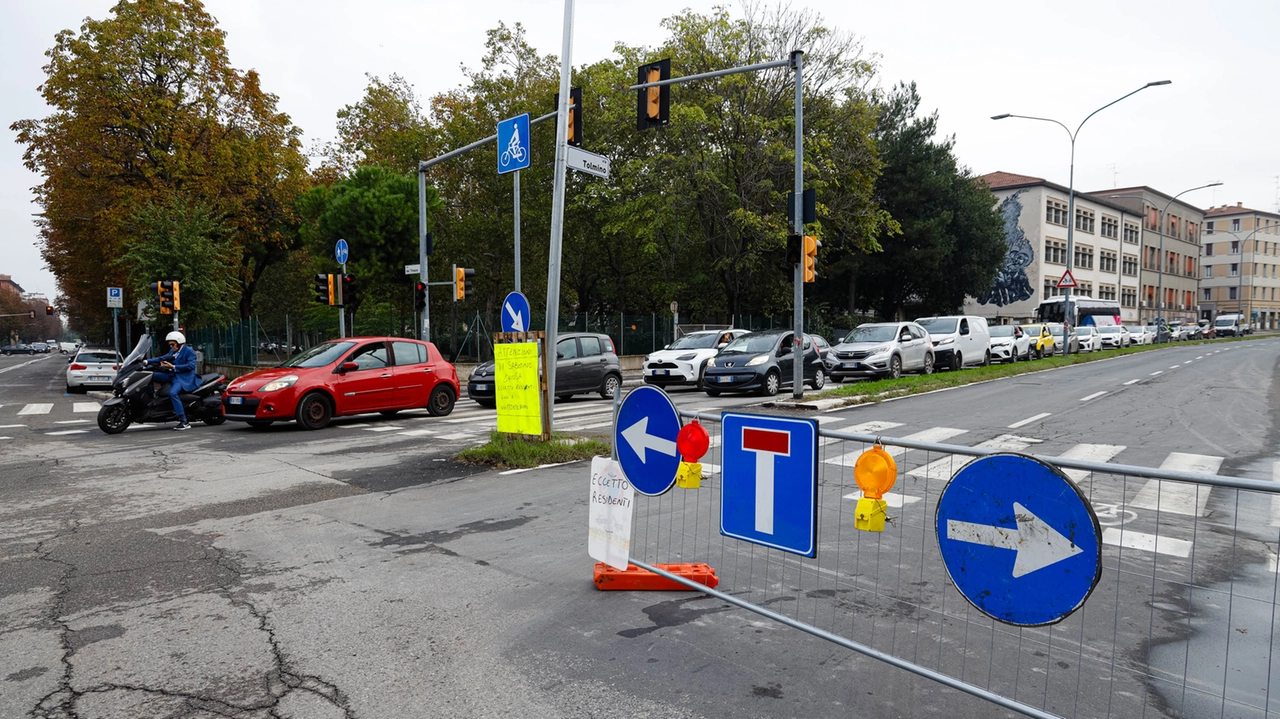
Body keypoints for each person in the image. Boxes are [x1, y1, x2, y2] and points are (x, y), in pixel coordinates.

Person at [147, 331, 200, 430]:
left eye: (172, 344)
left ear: (179, 343)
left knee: (173, 393)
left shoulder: (189, 351)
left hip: (182, 378)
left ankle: (184, 421)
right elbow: (162, 357)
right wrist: (146, 361)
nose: (171, 347)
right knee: (149, 376)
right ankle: (151, 400)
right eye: (170, 345)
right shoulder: (173, 351)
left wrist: (173, 366)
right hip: (172, 375)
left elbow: (191, 366)